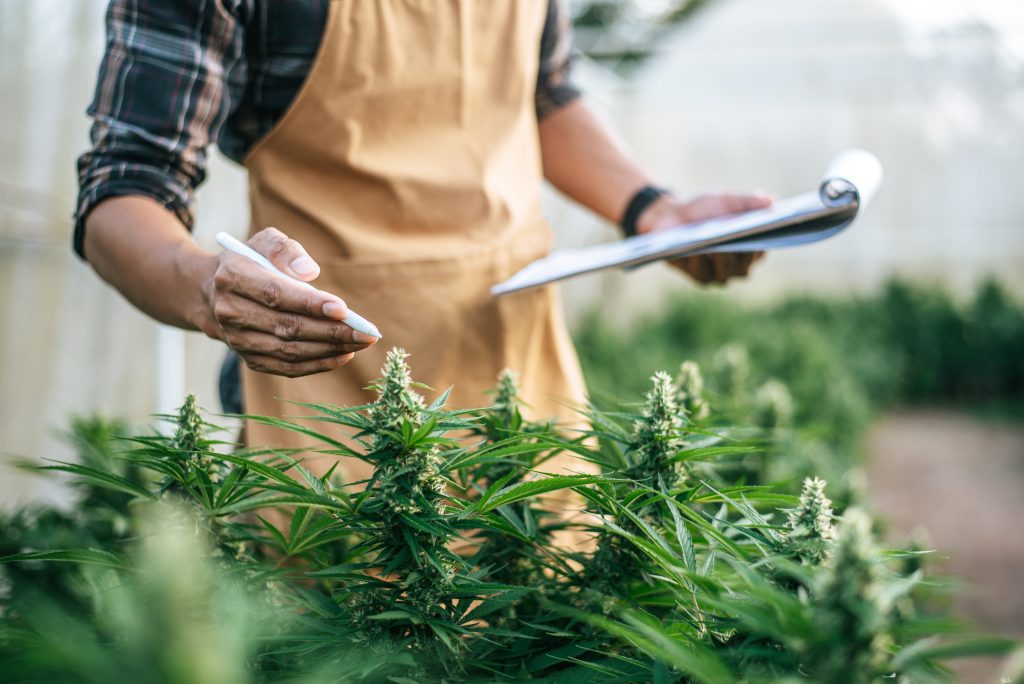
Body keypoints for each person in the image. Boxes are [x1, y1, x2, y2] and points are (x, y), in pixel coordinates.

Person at [76, 0, 769, 478]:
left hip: (525, 401)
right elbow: (126, 184)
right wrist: (208, 289)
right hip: (332, 418)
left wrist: (652, 210)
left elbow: (542, 89)